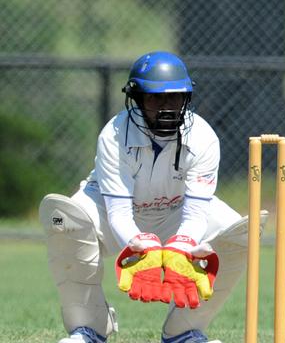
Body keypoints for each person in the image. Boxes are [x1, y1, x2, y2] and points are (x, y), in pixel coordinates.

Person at [39, 51, 265, 343]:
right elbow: (119, 212)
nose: (166, 107)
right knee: (62, 219)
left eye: (174, 98)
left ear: (186, 98)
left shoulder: (204, 137)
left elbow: (196, 214)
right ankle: (89, 329)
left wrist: (180, 249)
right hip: (110, 211)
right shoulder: (115, 134)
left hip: (176, 212)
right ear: (137, 99)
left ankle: (184, 332)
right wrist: (141, 250)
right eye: (155, 99)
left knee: (241, 233)